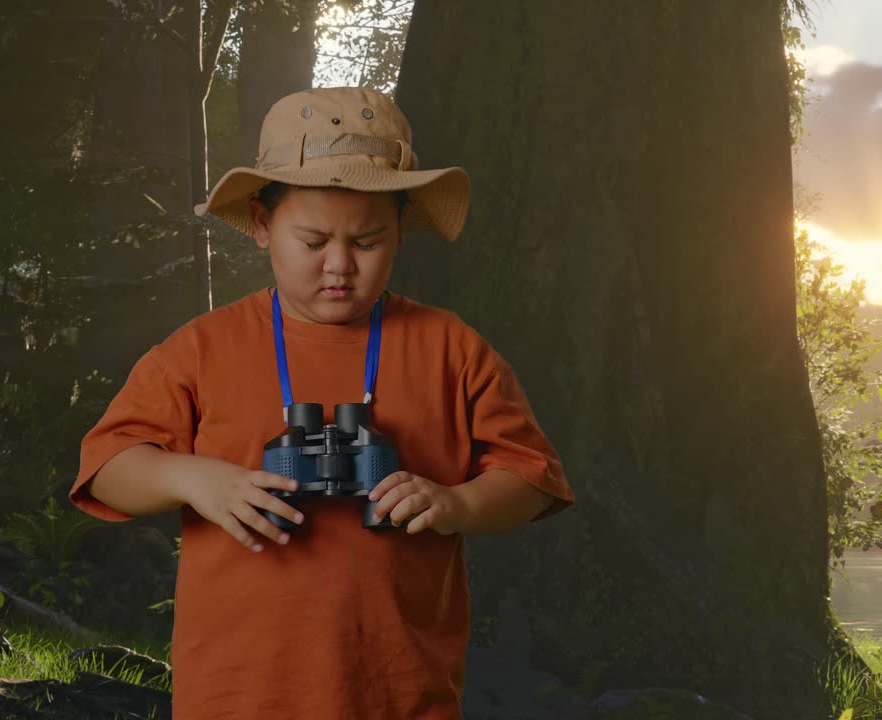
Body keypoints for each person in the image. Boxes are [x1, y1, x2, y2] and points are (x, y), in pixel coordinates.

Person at [70, 86, 574, 720]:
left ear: (400, 231)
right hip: (237, 695)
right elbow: (107, 469)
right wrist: (193, 477)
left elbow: (530, 478)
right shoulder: (202, 349)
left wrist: (456, 502)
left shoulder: (452, 349)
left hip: (400, 693)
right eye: (313, 242)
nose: (339, 265)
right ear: (262, 223)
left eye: (367, 243)